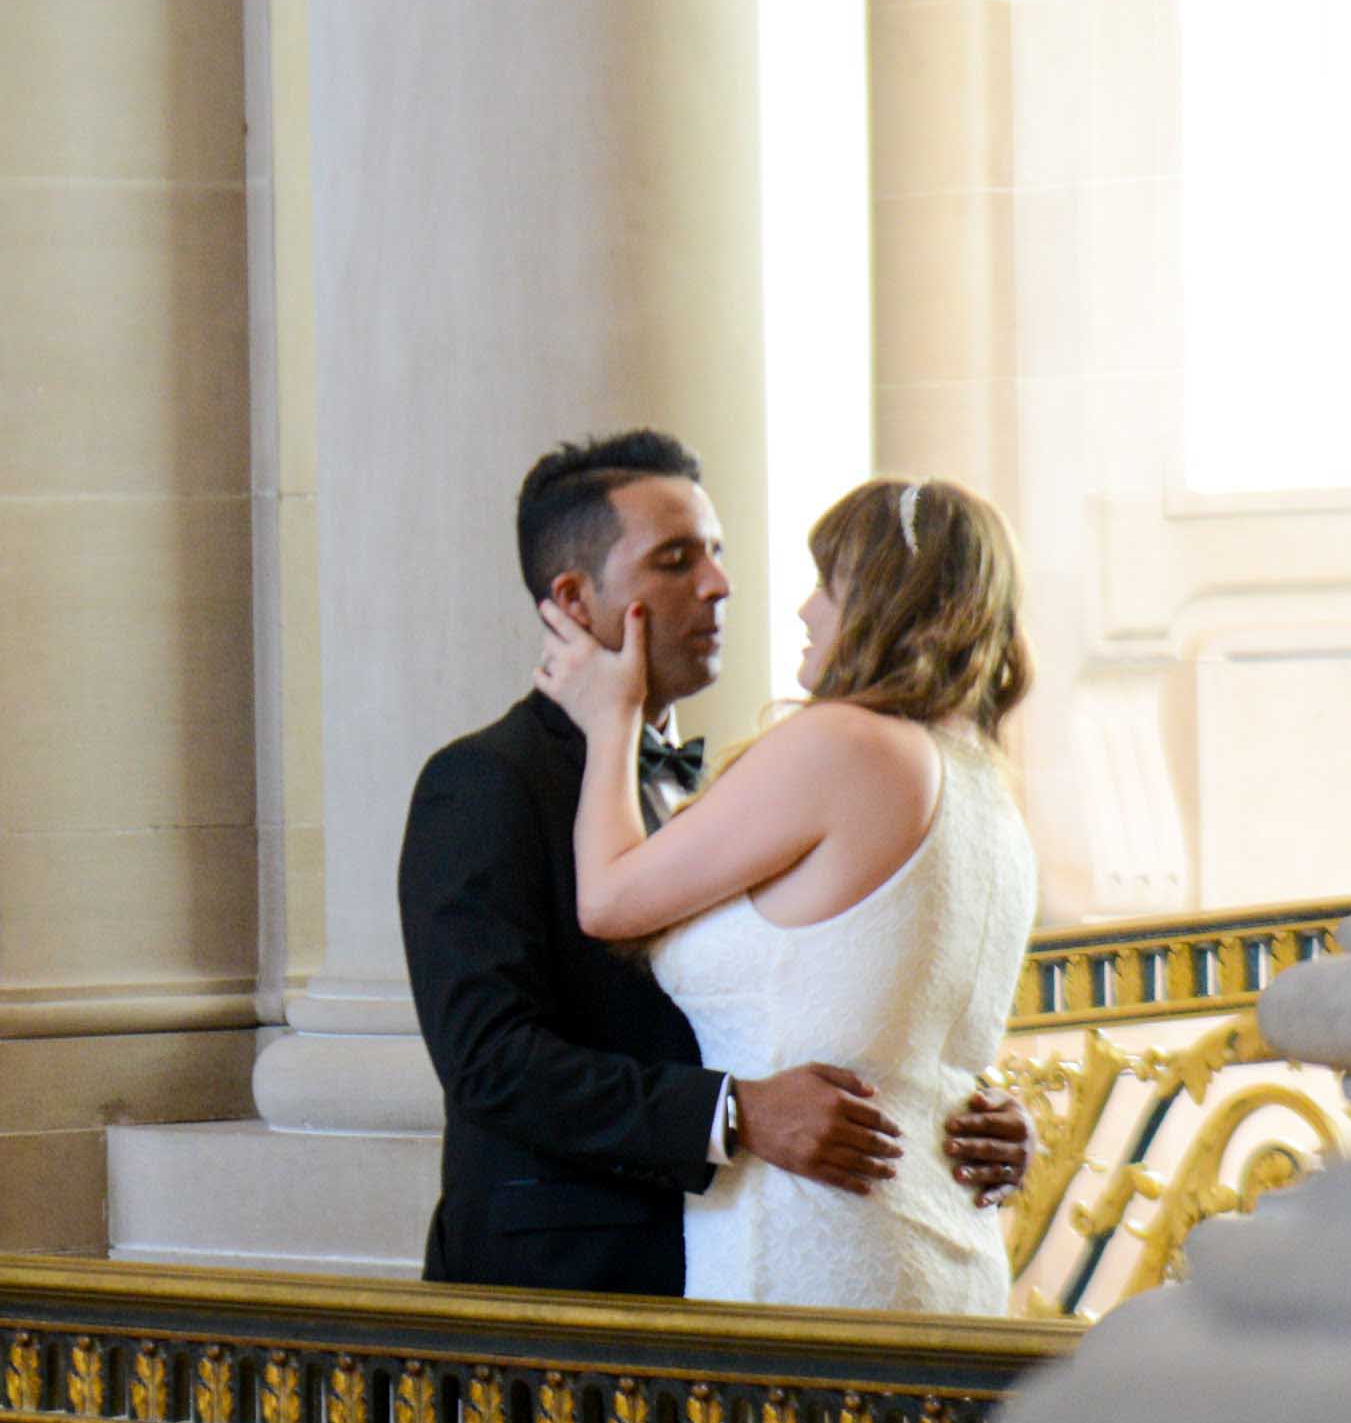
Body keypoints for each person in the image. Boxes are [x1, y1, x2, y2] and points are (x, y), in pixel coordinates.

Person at [401, 432, 1027, 1303]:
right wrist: (731, 1114)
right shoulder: (482, 783)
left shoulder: (773, 776)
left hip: (762, 1253)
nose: (720, 584)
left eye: (719, 553)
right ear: (576, 600)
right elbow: (489, 1061)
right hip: (568, 1290)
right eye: (675, 559)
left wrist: (955, 1102)